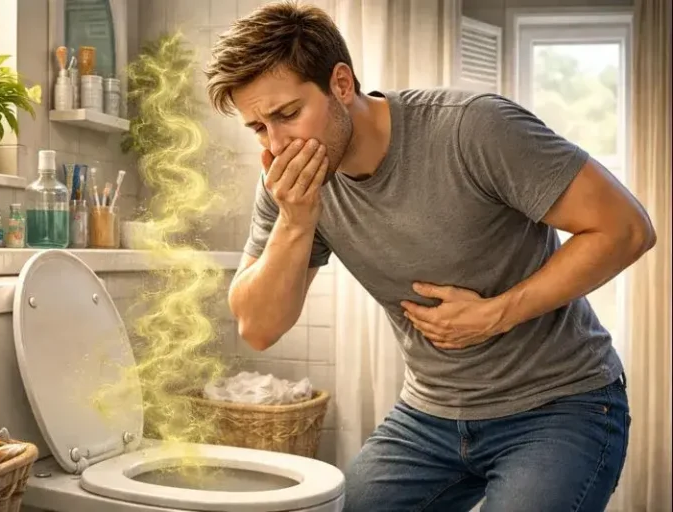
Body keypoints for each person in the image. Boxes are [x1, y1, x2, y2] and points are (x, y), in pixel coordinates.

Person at [204, 2, 656, 511]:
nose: (278, 144)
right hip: (432, 414)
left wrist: (495, 314)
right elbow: (258, 328)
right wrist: (295, 221)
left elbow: (626, 228)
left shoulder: (473, 128)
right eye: (259, 129)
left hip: (561, 403)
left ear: (341, 84)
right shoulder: (289, 187)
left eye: (287, 114)